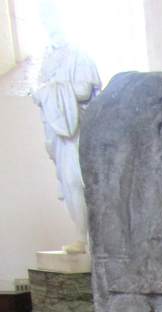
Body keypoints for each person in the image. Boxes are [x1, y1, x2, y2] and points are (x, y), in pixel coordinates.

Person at [32, 2, 101, 254]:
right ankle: (80, 238)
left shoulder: (78, 52)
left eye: (50, 14)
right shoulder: (46, 57)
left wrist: (51, 90)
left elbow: (84, 89)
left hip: (76, 125)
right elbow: (39, 91)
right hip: (57, 128)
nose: (46, 21)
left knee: (77, 180)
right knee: (69, 183)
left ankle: (88, 239)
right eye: (42, 16)